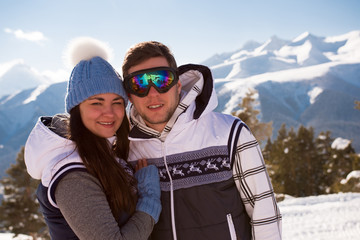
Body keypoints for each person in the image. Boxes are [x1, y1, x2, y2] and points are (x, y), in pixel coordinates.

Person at [121, 41, 282, 240]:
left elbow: (264, 212)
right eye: (140, 84)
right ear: (129, 94)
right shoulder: (124, 148)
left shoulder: (229, 133)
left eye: (162, 80)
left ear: (178, 85)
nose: (153, 93)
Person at [24, 38, 161, 240]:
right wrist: (149, 199)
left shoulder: (104, 154)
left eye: (116, 102)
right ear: (77, 109)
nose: (110, 113)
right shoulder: (73, 174)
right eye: (97, 103)